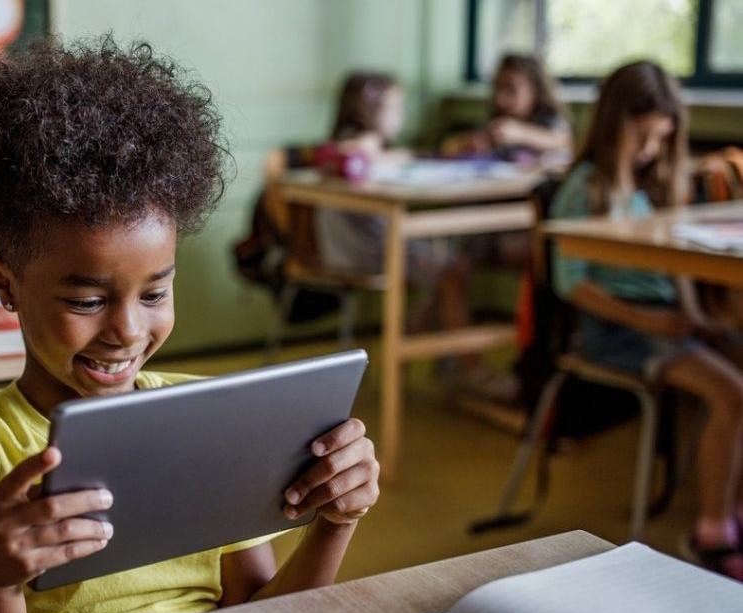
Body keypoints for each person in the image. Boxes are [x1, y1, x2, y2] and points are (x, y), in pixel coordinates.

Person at [0, 37, 382, 613]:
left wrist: (336, 523)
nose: (126, 331)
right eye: (88, 301)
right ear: (4, 284)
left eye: (155, 294)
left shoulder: (205, 421)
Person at [549, 60, 743, 580]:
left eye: (662, 139)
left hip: (667, 321)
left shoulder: (653, 186)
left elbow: (676, 266)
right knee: (732, 393)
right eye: (644, 137)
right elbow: (570, 283)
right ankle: (712, 532)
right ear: (615, 124)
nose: (652, 150)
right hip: (616, 333)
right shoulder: (586, 187)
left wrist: (698, 317)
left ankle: (732, 508)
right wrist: (649, 322)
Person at [263, 72, 517, 400]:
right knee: (452, 268)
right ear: (369, 110)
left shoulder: (361, 145)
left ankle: (406, 352)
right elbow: (349, 156)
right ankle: (468, 366)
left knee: (447, 265)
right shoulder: (356, 145)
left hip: (350, 247)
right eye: (395, 107)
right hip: (357, 251)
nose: (402, 114)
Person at [442, 53, 572, 166]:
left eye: (511, 90)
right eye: (497, 88)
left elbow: (564, 142)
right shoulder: (498, 117)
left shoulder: (548, 117)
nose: (500, 98)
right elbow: (450, 146)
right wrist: (474, 144)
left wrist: (521, 133)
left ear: (536, 91)